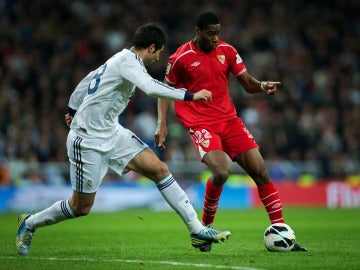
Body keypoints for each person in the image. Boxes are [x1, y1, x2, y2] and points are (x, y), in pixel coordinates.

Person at [16, 23, 231, 256]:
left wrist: (73, 108)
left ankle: (196, 229)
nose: (158, 58)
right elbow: (150, 87)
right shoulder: (127, 62)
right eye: (158, 52)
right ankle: (30, 222)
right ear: (151, 47)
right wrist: (190, 95)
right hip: (87, 140)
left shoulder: (120, 59)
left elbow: (86, 81)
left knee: (159, 168)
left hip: (113, 132)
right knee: (80, 207)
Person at [154, 12, 307, 252]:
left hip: (229, 120)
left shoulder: (228, 51)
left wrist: (261, 86)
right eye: (210, 33)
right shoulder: (181, 57)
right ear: (198, 32)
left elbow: (246, 82)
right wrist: (162, 122)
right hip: (200, 122)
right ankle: (205, 227)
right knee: (221, 171)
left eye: (218, 33)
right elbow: (164, 90)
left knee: (260, 171)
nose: (216, 38)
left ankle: (281, 231)